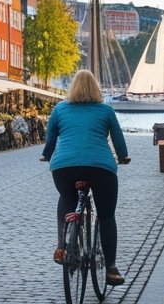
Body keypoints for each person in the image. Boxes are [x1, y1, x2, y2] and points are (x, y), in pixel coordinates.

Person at [41, 70, 130, 286]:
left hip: (64, 167)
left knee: (66, 198)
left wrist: (46, 155)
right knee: (107, 216)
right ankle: (110, 268)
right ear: (96, 88)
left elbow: (51, 139)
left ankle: (62, 247)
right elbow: (118, 139)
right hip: (101, 168)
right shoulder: (106, 110)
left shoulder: (59, 109)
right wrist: (123, 156)